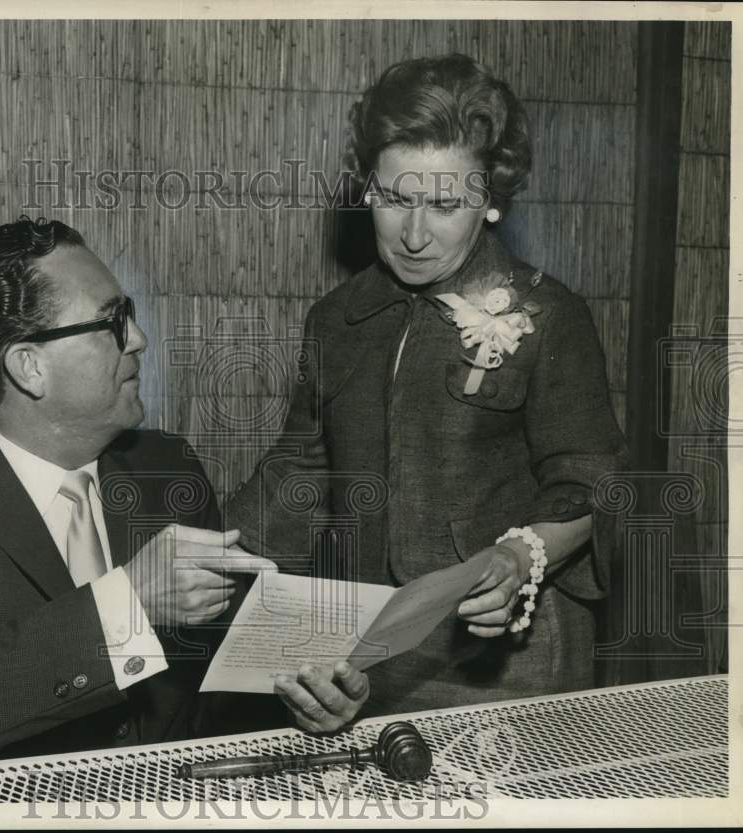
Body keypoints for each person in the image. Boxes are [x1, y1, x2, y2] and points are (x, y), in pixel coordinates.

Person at [227, 54, 628, 722]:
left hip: (510, 658)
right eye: (394, 199)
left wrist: (518, 555)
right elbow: (297, 469)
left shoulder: (550, 316)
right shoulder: (338, 319)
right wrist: (208, 558)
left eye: (445, 205)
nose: (414, 234)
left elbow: (594, 485)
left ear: (492, 198)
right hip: (373, 652)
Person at [0, 217, 299, 773]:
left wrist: (298, 695)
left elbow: (215, 677)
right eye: (112, 322)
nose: (138, 339)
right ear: (29, 367)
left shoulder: (165, 467)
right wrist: (128, 607)